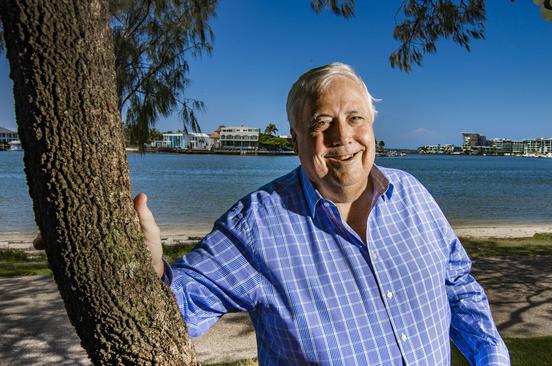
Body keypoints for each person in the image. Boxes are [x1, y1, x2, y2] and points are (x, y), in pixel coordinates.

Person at [133, 63, 510, 365]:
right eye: (321, 123)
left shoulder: (412, 195)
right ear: (296, 139)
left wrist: (491, 357)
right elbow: (179, 309)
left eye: (355, 118)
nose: (342, 136)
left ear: (372, 126)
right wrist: (151, 271)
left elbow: (457, 284)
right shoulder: (258, 226)